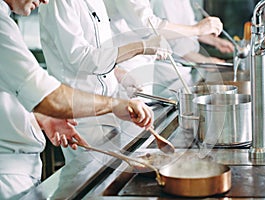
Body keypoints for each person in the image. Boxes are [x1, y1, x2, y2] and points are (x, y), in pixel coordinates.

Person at [0, 0, 154, 199]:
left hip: (23, 162)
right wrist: (114, 106)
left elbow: (9, 89)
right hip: (8, 168)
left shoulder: (6, 22)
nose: (46, 0)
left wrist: (42, 118)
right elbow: (52, 96)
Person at [38, 0, 171, 163]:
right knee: (93, 180)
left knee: (114, 174)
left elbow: (100, 51)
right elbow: (81, 59)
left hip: (109, 108)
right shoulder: (60, 3)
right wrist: (141, 47)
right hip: (83, 115)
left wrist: (117, 73)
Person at [103, 0, 227, 94]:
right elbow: (147, 26)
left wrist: (209, 37)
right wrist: (197, 29)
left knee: (141, 117)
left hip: (139, 62)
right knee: (132, 119)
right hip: (126, 64)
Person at [151, 0, 234, 64]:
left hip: (184, 68)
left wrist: (216, 42)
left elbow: (190, 26)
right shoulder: (162, 3)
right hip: (168, 71)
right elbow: (174, 43)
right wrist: (204, 61)